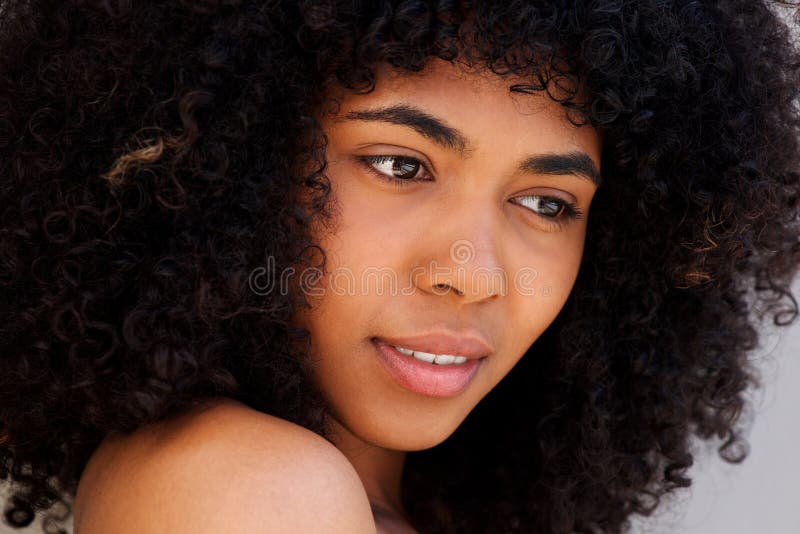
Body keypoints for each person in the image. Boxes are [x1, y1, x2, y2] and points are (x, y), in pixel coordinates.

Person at [1, 1, 798, 533]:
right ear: (224, 161)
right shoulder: (247, 487)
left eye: (549, 202)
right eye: (398, 165)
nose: (473, 273)